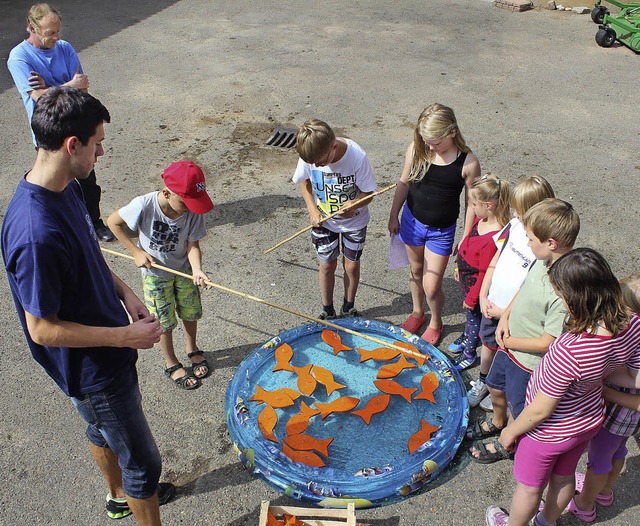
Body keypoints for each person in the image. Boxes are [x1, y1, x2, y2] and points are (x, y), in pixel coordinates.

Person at [1, 87, 174, 524]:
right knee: (144, 463)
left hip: (107, 349)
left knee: (101, 428)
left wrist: (125, 293)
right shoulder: (35, 232)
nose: (103, 151)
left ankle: (119, 496)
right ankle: (131, 491)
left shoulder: (67, 187)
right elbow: (41, 328)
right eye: (97, 143)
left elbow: (89, 256)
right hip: (94, 368)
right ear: (71, 144)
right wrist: (125, 337)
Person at [485, 248, 640, 526]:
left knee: (530, 488)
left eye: (559, 293)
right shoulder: (630, 324)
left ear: (574, 298)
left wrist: (510, 431)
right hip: (588, 419)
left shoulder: (569, 352)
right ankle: (547, 521)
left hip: (548, 432)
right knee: (563, 477)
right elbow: (622, 372)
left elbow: (541, 410)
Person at [468, 198, 580, 463]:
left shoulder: (562, 291)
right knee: (495, 386)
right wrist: (505, 317)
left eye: (530, 239)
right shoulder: (541, 262)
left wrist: (511, 341)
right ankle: (497, 421)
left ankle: (510, 440)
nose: (527, 244)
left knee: (519, 406)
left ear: (551, 243)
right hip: (510, 344)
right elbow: (522, 289)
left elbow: (546, 343)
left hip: (527, 360)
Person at [7, 3, 114, 242]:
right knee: (56, 184)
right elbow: (38, 97)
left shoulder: (64, 48)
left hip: (77, 127)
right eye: (50, 33)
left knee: (87, 181)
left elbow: (82, 87)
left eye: (57, 31)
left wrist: (50, 87)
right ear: (31, 28)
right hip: (51, 132)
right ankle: (65, 228)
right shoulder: (19, 57)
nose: (56, 37)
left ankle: (93, 222)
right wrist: (68, 86)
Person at [108, 161, 214, 390]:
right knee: (163, 322)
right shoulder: (144, 205)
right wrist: (136, 252)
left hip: (183, 270)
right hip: (155, 274)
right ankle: (171, 362)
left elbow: (193, 245)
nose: (189, 209)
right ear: (167, 192)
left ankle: (191, 347)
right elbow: (112, 222)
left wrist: (196, 269)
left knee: (190, 312)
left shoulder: (192, 211)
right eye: (185, 203)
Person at [388, 103, 480, 345]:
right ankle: (418, 312)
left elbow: (472, 203)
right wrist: (393, 214)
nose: (430, 146)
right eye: (426, 140)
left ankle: (436, 321)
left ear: (452, 132)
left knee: (431, 284)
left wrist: (467, 235)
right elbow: (404, 183)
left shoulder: (468, 163)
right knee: (416, 271)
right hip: (412, 221)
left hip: (441, 231)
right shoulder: (417, 150)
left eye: (435, 142)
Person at [466, 176, 555, 408]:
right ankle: (485, 382)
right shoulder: (514, 226)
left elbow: (530, 288)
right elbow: (497, 256)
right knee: (488, 346)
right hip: (492, 302)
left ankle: (500, 395)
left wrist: (505, 312)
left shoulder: (540, 245)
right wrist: (484, 294)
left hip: (512, 315)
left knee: (509, 353)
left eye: (519, 211)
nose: (514, 215)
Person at [567, 273, 640, 522]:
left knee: (598, 460)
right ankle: (605, 491)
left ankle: (585, 504)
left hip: (617, 415)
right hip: (627, 421)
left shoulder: (636, 334)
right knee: (618, 452)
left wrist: (605, 387)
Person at [292, 119, 377, 319]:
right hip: (323, 220)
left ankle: (348, 306)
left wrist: (356, 203)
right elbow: (304, 182)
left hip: (354, 222)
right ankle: (327, 308)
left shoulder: (357, 157)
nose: (318, 166)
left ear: (334, 147)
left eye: (321, 162)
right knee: (327, 264)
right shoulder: (310, 154)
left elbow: (369, 193)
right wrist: (313, 210)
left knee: (351, 265)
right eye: (314, 164)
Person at [450, 175, 511, 371]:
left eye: (474, 204)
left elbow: (485, 272)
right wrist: (459, 266)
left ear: (489, 205)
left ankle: (469, 353)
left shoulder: (494, 237)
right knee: (470, 319)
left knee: (473, 318)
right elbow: (467, 243)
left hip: (476, 289)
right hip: (466, 280)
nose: (471, 207)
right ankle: (469, 336)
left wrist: (472, 298)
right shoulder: (481, 218)